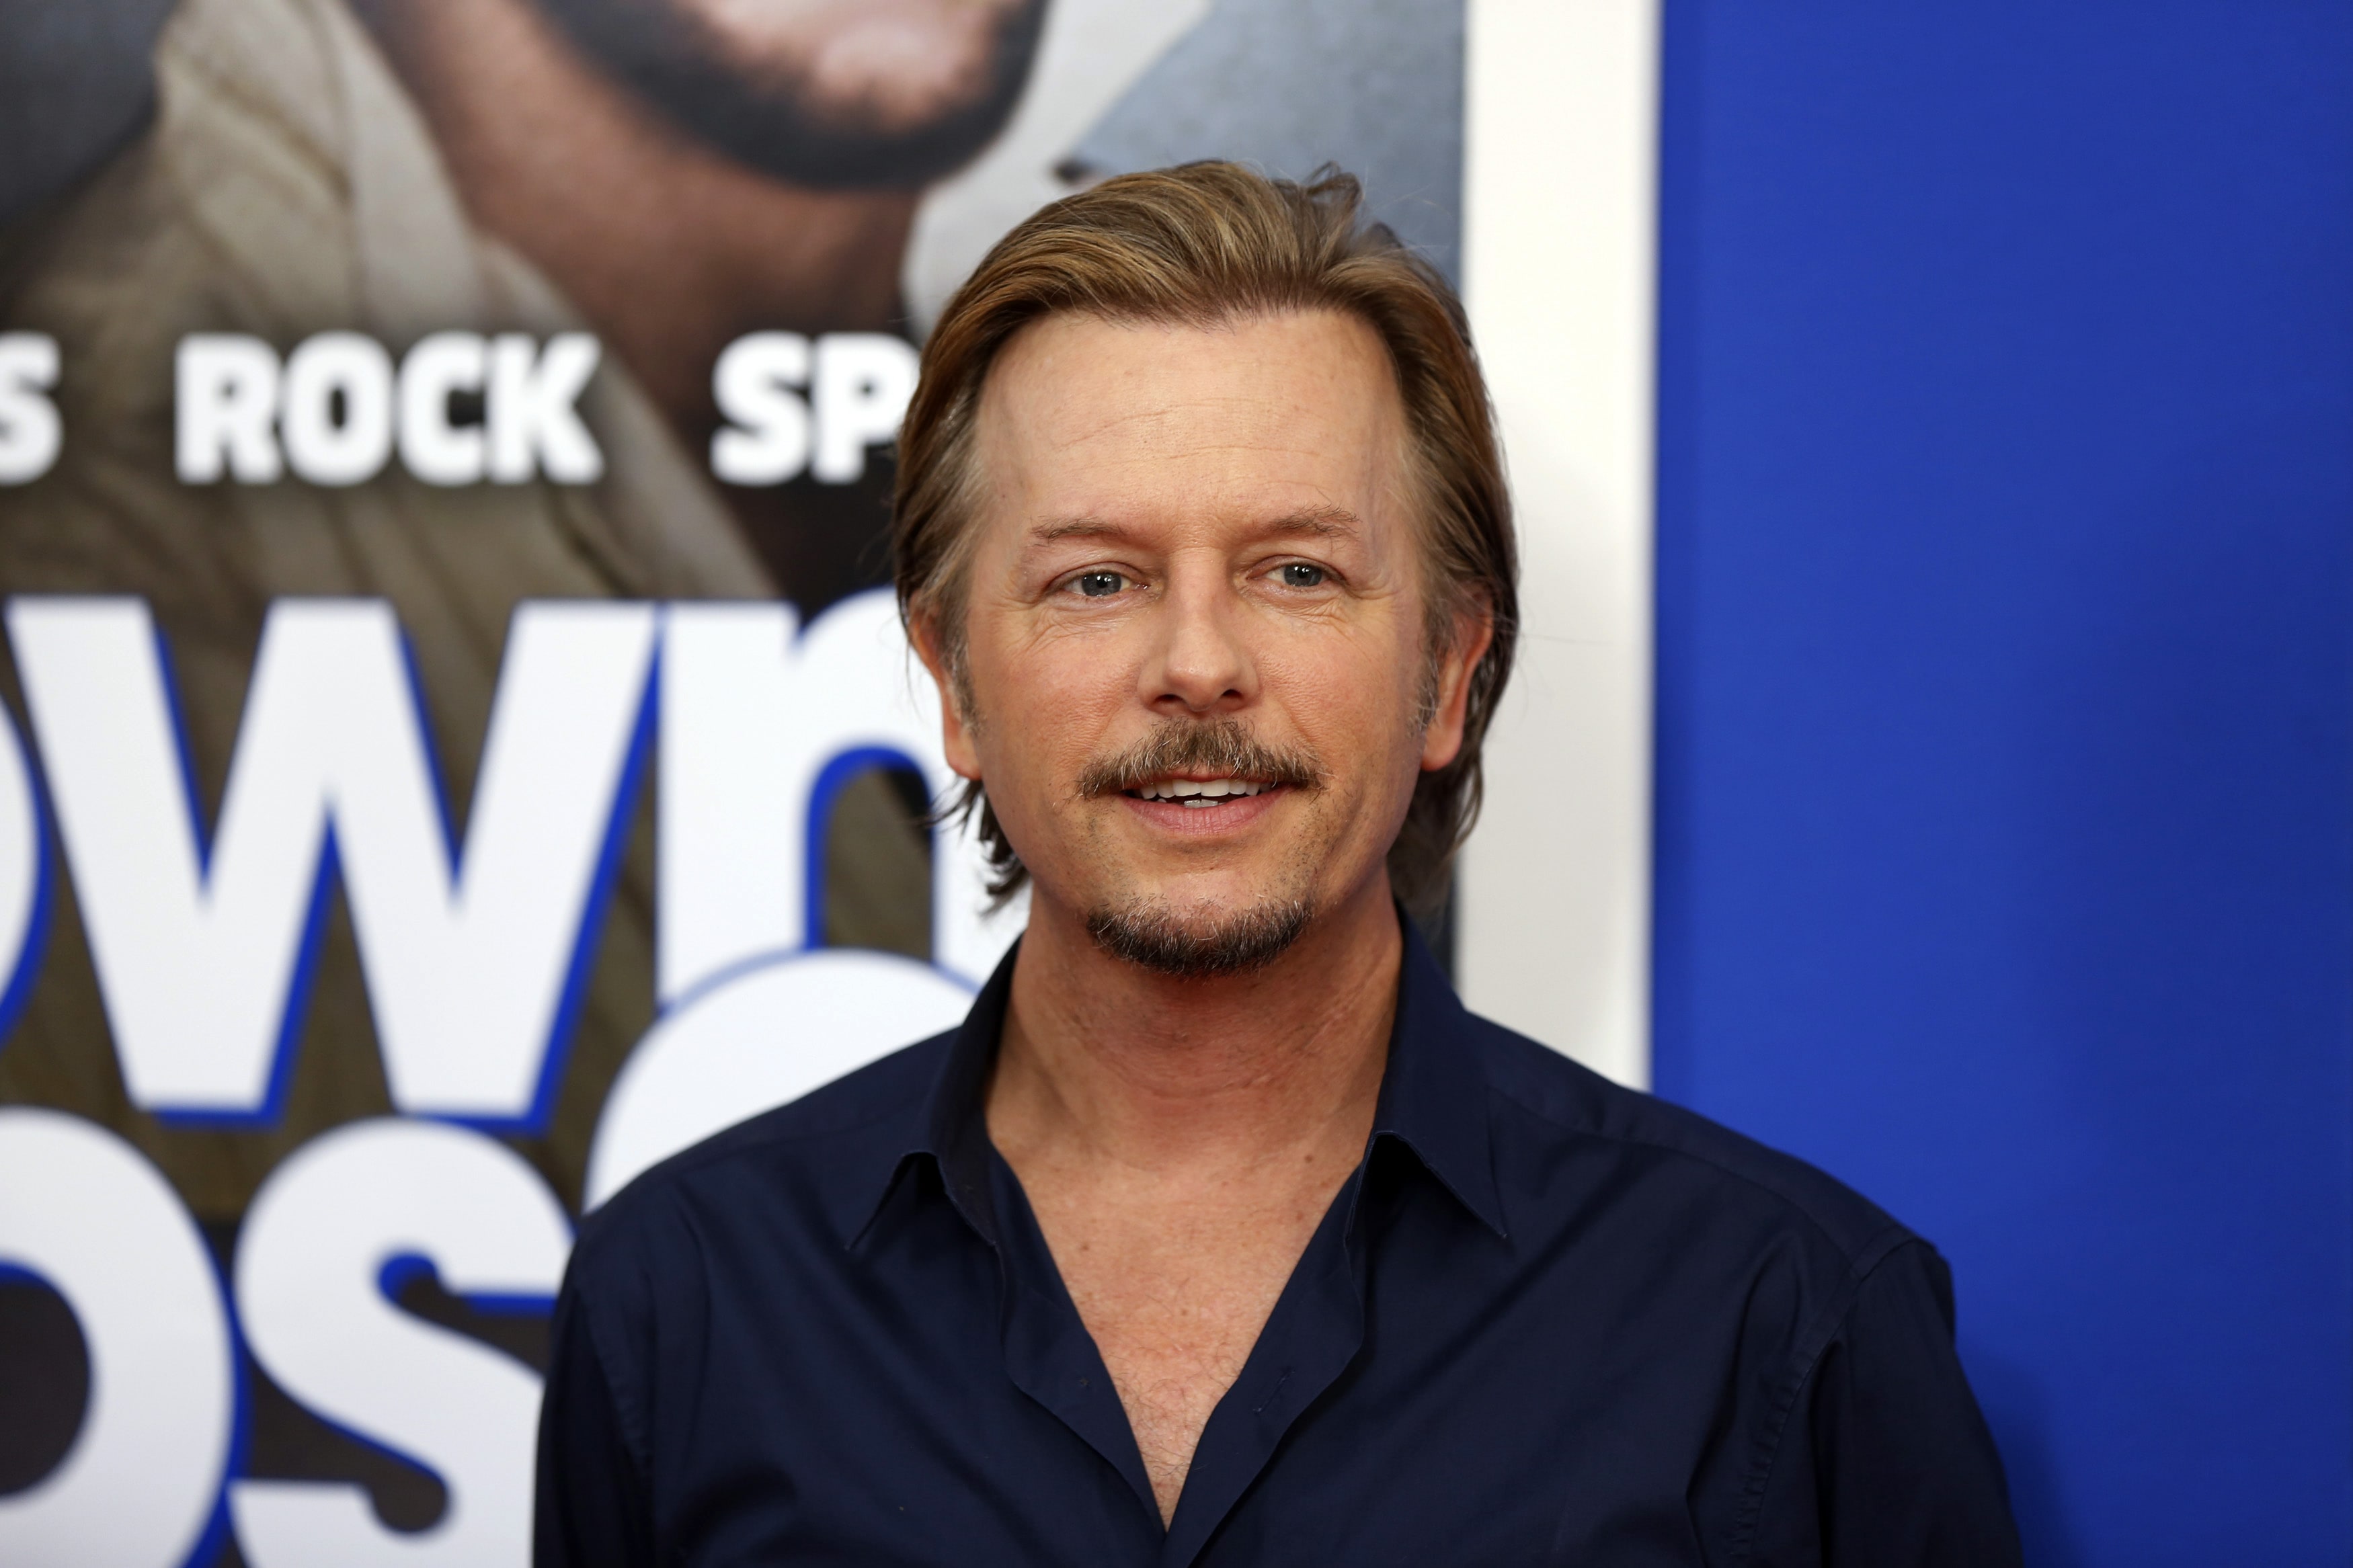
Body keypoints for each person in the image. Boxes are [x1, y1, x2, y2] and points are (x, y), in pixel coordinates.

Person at [536, 163, 2024, 1565]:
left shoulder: (1784, 1319)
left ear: (1448, 672)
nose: (1197, 664)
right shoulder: (685, 1301)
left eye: (1297, 571)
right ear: (953, 683)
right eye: (1095, 579)